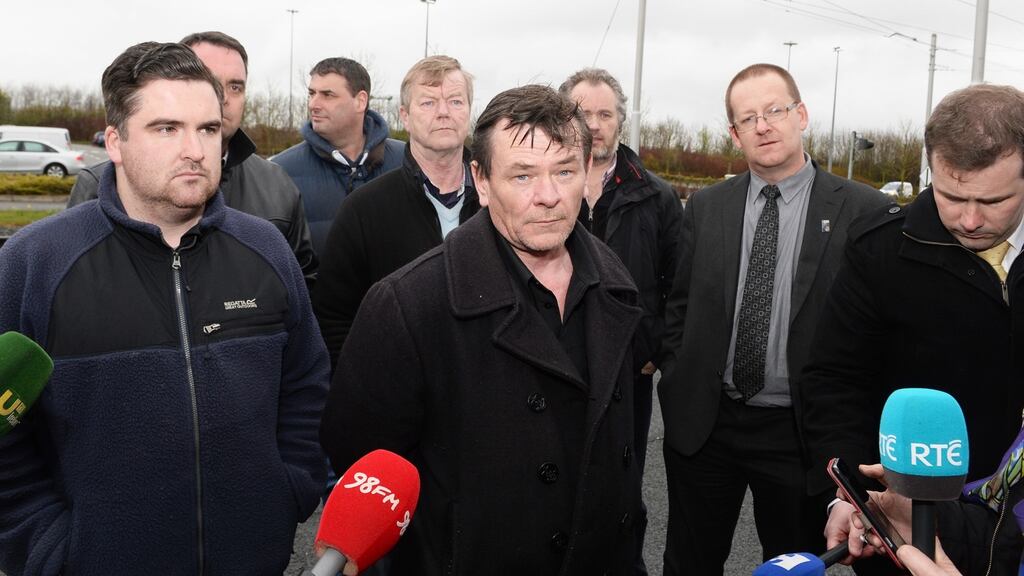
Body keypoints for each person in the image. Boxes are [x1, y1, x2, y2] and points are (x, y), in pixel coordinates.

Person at [0, 42, 330, 575]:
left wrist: (287, 489)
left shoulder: (267, 251)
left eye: (207, 129)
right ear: (116, 142)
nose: (196, 149)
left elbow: (306, 383)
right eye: (166, 128)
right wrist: (49, 549)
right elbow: (5, 433)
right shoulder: (34, 264)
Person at [320, 84, 643, 574]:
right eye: (522, 175)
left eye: (564, 171)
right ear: (483, 180)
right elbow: (363, 461)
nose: (549, 196)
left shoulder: (614, 283)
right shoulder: (409, 303)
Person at [657, 63, 889, 575]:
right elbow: (680, 308)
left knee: (791, 565)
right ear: (734, 134)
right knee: (688, 561)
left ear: (801, 115)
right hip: (708, 426)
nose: (763, 125)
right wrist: (678, 380)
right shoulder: (706, 206)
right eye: (747, 118)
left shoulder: (863, 210)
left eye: (774, 111)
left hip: (799, 432)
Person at [800, 84, 1024, 501]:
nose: (970, 220)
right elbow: (834, 381)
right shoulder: (878, 251)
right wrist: (849, 496)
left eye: (994, 200)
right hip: (910, 511)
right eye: (951, 196)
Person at [68, 31, 317, 284]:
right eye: (208, 79)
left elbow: (301, 282)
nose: (223, 97)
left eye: (235, 86)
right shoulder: (99, 184)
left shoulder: (277, 184)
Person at [559, 66, 683, 575]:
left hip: (628, 375)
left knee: (621, 487)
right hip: (553, 365)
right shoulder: (543, 186)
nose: (593, 124)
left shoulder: (656, 196)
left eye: (604, 113)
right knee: (554, 480)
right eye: (581, 113)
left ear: (621, 121)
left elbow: (679, 286)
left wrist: (652, 350)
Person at [313, 55, 479, 369]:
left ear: (469, 111)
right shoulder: (364, 209)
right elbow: (333, 322)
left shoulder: (499, 203)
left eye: (456, 101)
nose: (443, 112)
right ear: (404, 115)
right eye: (428, 103)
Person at [272, 57, 405, 257]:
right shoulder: (280, 171)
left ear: (360, 101)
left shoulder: (407, 161)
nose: (313, 104)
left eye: (327, 95)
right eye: (311, 93)